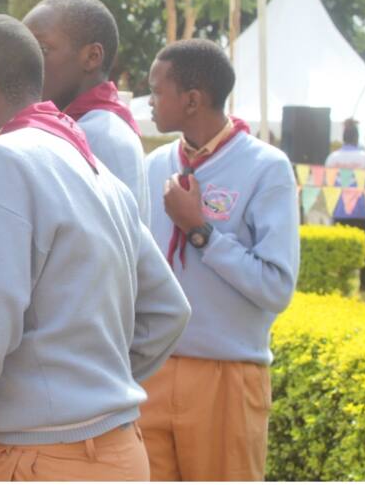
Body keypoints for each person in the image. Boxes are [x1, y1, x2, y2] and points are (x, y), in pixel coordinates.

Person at [0, 14, 191, 481]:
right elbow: (169, 309)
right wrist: (92, 382)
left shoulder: (6, 158)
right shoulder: (92, 167)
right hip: (120, 451)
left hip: (45, 459)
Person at [140, 39, 300, 481]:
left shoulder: (267, 168)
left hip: (226, 377)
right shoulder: (153, 166)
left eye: (157, 90)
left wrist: (201, 232)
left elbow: (276, 287)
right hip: (150, 372)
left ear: (192, 99)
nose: (149, 101)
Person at [23, 0, 150, 221]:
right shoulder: (90, 126)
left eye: (41, 50)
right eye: (26, 50)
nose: (29, 64)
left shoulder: (99, 135)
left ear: (92, 57)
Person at [325, 118, 365, 291]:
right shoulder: (364, 158)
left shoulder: (333, 158)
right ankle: (363, 281)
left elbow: (327, 182)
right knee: (364, 246)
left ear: (344, 137)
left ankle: (340, 279)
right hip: (360, 209)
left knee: (339, 245)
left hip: (339, 207)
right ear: (356, 138)